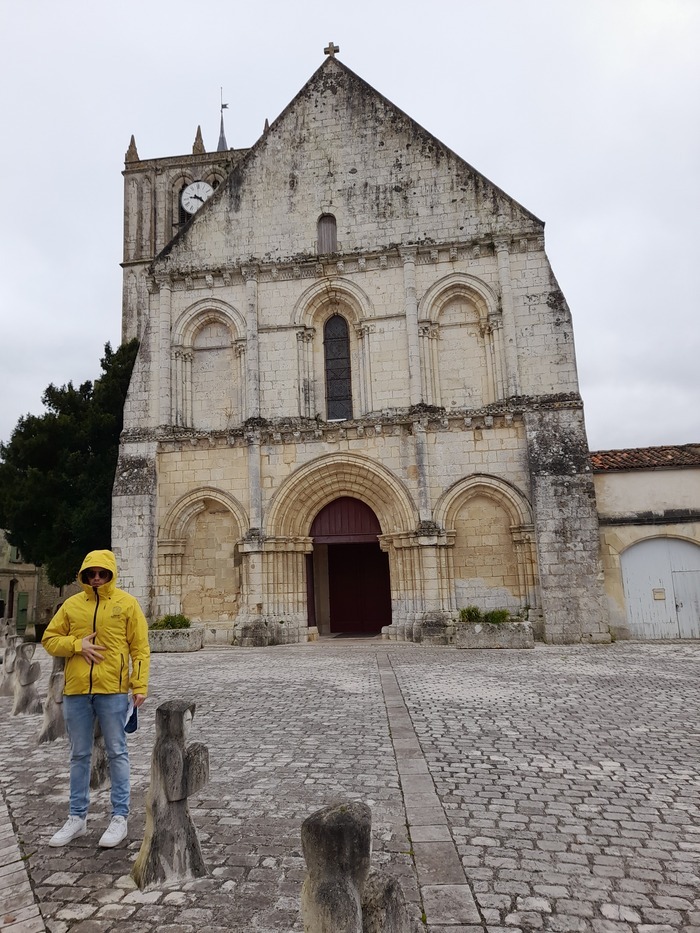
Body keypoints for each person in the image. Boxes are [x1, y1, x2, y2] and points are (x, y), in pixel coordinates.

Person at [42, 549, 150, 848]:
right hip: (77, 691)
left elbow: (140, 647)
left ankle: (119, 818)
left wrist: (139, 684)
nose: (97, 578)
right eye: (92, 574)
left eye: (103, 573)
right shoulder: (72, 605)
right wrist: (77, 645)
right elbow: (49, 640)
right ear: (85, 575)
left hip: (113, 690)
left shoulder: (127, 604)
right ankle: (77, 818)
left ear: (111, 574)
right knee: (79, 754)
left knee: (117, 751)